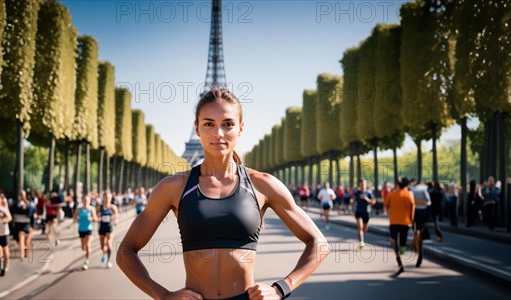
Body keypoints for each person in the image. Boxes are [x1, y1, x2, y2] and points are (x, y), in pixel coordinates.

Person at [117, 88, 329, 300]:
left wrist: (281, 288)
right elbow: (126, 250)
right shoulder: (173, 187)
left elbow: (318, 243)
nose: (218, 133)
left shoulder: (263, 185)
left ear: (240, 128)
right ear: (197, 129)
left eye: (227, 124)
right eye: (209, 124)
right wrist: (163, 295)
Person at [384, 177, 415, 278]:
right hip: (406, 222)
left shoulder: (392, 194)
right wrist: (411, 220)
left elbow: (386, 205)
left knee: (393, 240)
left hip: (394, 222)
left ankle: (398, 257)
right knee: (402, 241)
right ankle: (402, 250)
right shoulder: (410, 194)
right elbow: (412, 207)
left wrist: (388, 211)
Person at [409, 178, 431, 268]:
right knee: (415, 231)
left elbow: (429, 202)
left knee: (418, 232)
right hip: (413, 213)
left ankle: (418, 250)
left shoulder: (423, 190)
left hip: (421, 213)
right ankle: (416, 245)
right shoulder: (409, 190)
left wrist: (418, 202)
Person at [73, 195, 98, 270]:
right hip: (81, 229)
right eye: (84, 200)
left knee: (87, 245)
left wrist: (92, 218)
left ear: (89, 201)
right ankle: (88, 249)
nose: (85, 202)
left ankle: (86, 261)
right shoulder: (79, 209)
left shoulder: (91, 209)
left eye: (87, 200)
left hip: (89, 229)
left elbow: (95, 218)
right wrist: (77, 218)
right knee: (83, 247)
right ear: (82, 200)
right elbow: (74, 217)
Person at [98, 191, 119, 268]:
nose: (107, 199)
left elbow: (116, 215)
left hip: (110, 227)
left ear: (110, 198)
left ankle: (108, 261)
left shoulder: (113, 207)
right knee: (102, 246)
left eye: (109, 198)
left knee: (109, 244)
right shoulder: (99, 207)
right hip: (102, 228)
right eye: (106, 197)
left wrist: (116, 220)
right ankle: (104, 253)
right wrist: (98, 218)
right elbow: (95, 215)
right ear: (103, 198)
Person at [12, 191, 34, 260]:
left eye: (23, 194)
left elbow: (30, 209)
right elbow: (13, 212)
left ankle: (23, 253)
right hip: (18, 224)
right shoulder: (16, 203)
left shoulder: (28, 202)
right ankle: (23, 251)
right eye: (20, 194)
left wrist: (24, 199)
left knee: (24, 239)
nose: (21, 196)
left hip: (26, 224)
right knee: (19, 239)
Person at [353, 179, 375, 249]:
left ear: (366, 184)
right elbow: (353, 201)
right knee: (360, 227)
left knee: (365, 229)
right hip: (358, 212)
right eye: (361, 184)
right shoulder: (356, 193)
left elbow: (373, 202)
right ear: (359, 185)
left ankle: (361, 236)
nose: (363, 185)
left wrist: (366, 198)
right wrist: (352, 208)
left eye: (364, 184)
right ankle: (362, 242)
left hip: (366, 212)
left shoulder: (369, 193)